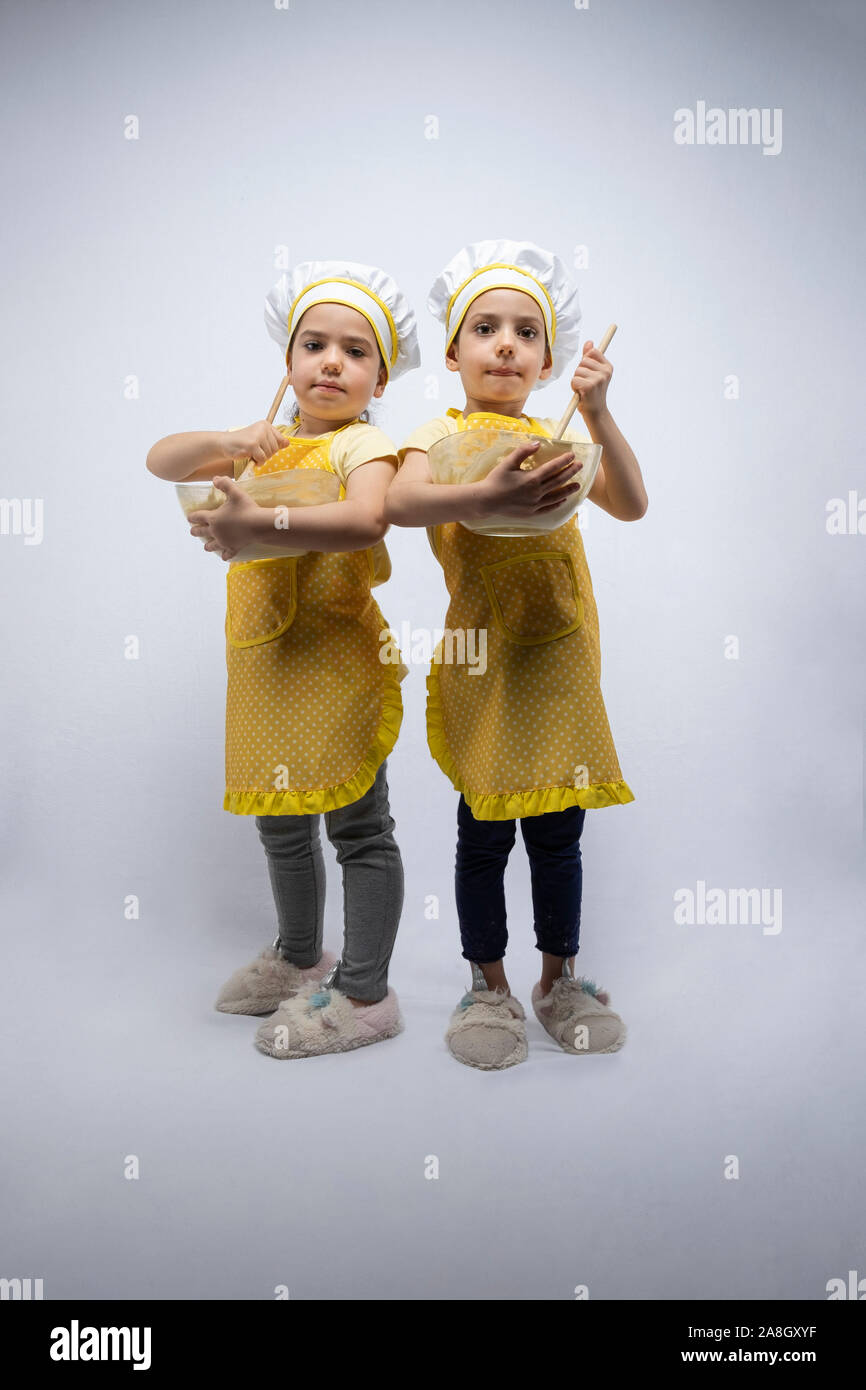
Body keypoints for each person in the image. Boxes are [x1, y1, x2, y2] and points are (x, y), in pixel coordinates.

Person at [146, 259, 419, 1058]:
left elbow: (367, 523)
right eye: (315, 345)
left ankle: (368, 993)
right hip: (264, 665)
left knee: (360, 829)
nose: (331, 362)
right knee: (281, 823)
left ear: (380, 376)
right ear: (289, 361)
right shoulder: (259, 445)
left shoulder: (367, 445)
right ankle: (302, 956)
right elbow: (161, 461)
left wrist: (259, 529)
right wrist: (231, 441)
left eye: (356, 351)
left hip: (337, 665)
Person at [386, 239, 647, 1070]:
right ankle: (487, 985)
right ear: (455, 351)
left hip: (562, 666)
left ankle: (558, 979)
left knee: (561, 839)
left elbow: (633, 506)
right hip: (484, 667)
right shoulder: (441, 434)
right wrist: (486, 494)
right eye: (486, 328)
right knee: (483, 837)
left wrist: (599, 415)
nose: (505, 343)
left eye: (526, 332)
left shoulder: (560, 436)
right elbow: (400, 502)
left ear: (547, 360)